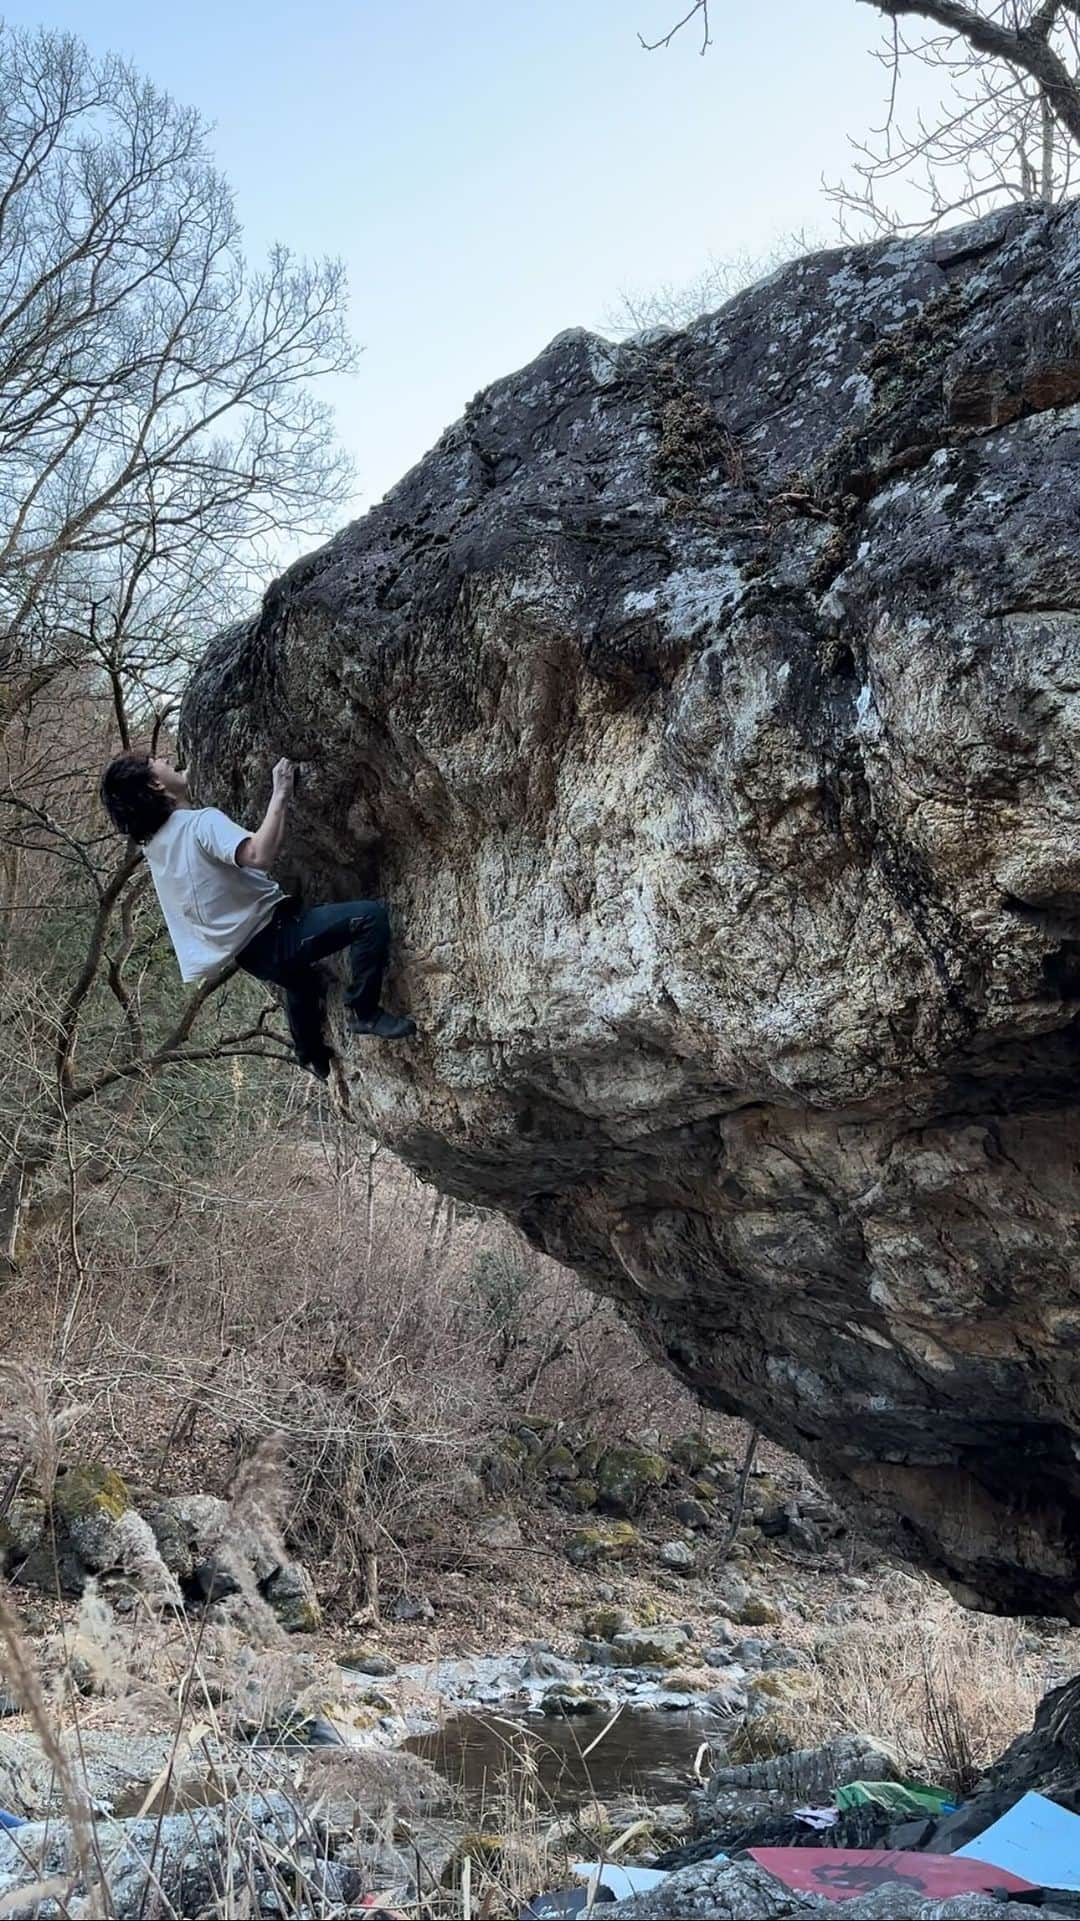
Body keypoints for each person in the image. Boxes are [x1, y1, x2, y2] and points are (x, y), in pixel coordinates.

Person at [99, 752, 416, 1080]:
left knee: (304, 984)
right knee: (369, 917)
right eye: (157, 762)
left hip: (251, 956)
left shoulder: (157, 847)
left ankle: (309, 1053)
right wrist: (279, 792)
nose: (166, 758)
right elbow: (258, 854)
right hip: (277, 936)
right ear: (156, 783)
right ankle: (364, 1011)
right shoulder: (199, 824)